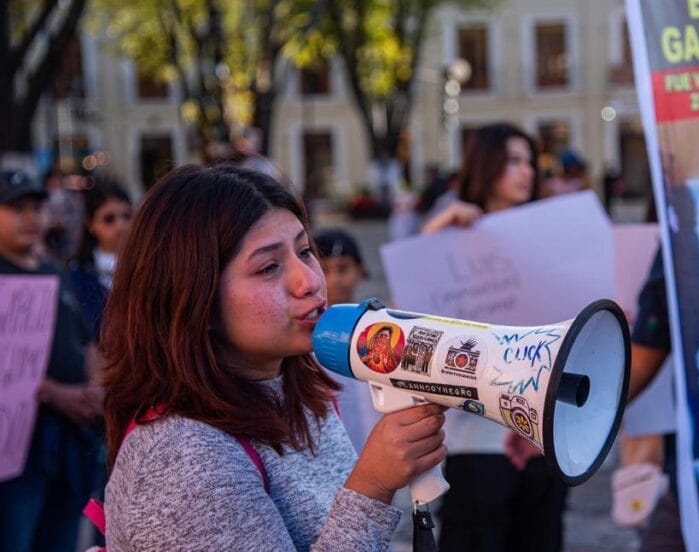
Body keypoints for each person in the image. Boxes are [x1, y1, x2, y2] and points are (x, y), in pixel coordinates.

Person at [99, 164, 446, 549]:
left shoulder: (296, 389)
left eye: (304, 251)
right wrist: (373, 485)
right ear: (195, 299)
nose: (311, 281)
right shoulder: (182, 459)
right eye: (268, 267)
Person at [421, 123, 566, 552]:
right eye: (512, 161)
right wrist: (437, 233)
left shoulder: (554, 238)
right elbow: (416, 326)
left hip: (544, 439)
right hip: (474, 439)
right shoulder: (451, 238)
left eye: (529, 162)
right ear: (486, 167)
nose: (525, 172)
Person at [0, 168, 103, 552]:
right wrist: (55, 393)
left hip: (69, 442)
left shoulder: (54, 274)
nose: (30, 218)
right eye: (16, 208)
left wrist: (95, 390)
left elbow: (85, 339)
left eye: (36, 207)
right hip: (17, 452)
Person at [313, 228, 378, 453]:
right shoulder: (302, 338)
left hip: (378, 449)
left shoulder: (380, 328)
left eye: (343, 268)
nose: (335, 279)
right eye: (324, 269)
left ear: (361, 270)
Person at [68, 177, 133, 336]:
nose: (120, 226)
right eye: (109, 219)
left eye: (126, 216)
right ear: (90, 224)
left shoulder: (149, 265)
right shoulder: (77, 274)